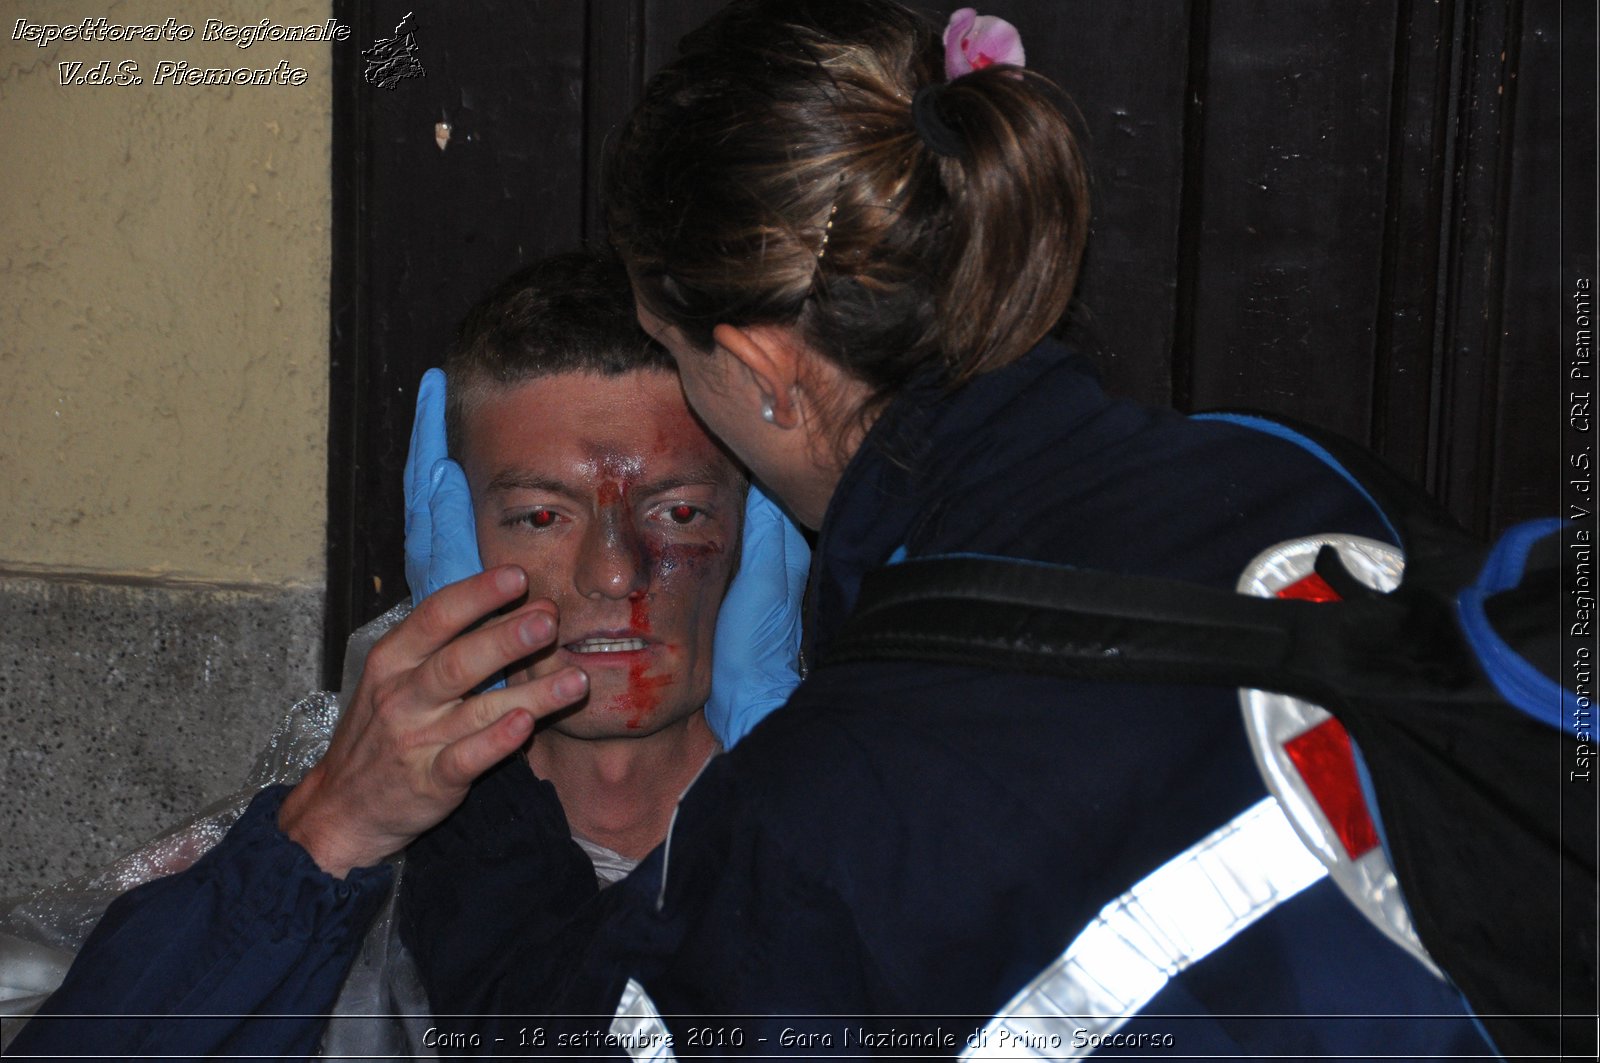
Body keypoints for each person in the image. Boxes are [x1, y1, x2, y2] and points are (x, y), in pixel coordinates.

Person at [388, 0, 1498, 1056]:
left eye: (675, 355)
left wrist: (481, 782)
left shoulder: (826, 812)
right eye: (539, 512)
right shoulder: (1293, 465)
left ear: (764, 367)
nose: (617, 567)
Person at [3, 251, 807, 1059]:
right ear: (453, 533)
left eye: (677, 511)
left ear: (757, 527)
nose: (613, 571)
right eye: (539, 517)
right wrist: (329, 831)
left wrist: (802, 800)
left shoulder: (869, 828)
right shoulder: (333, 860)